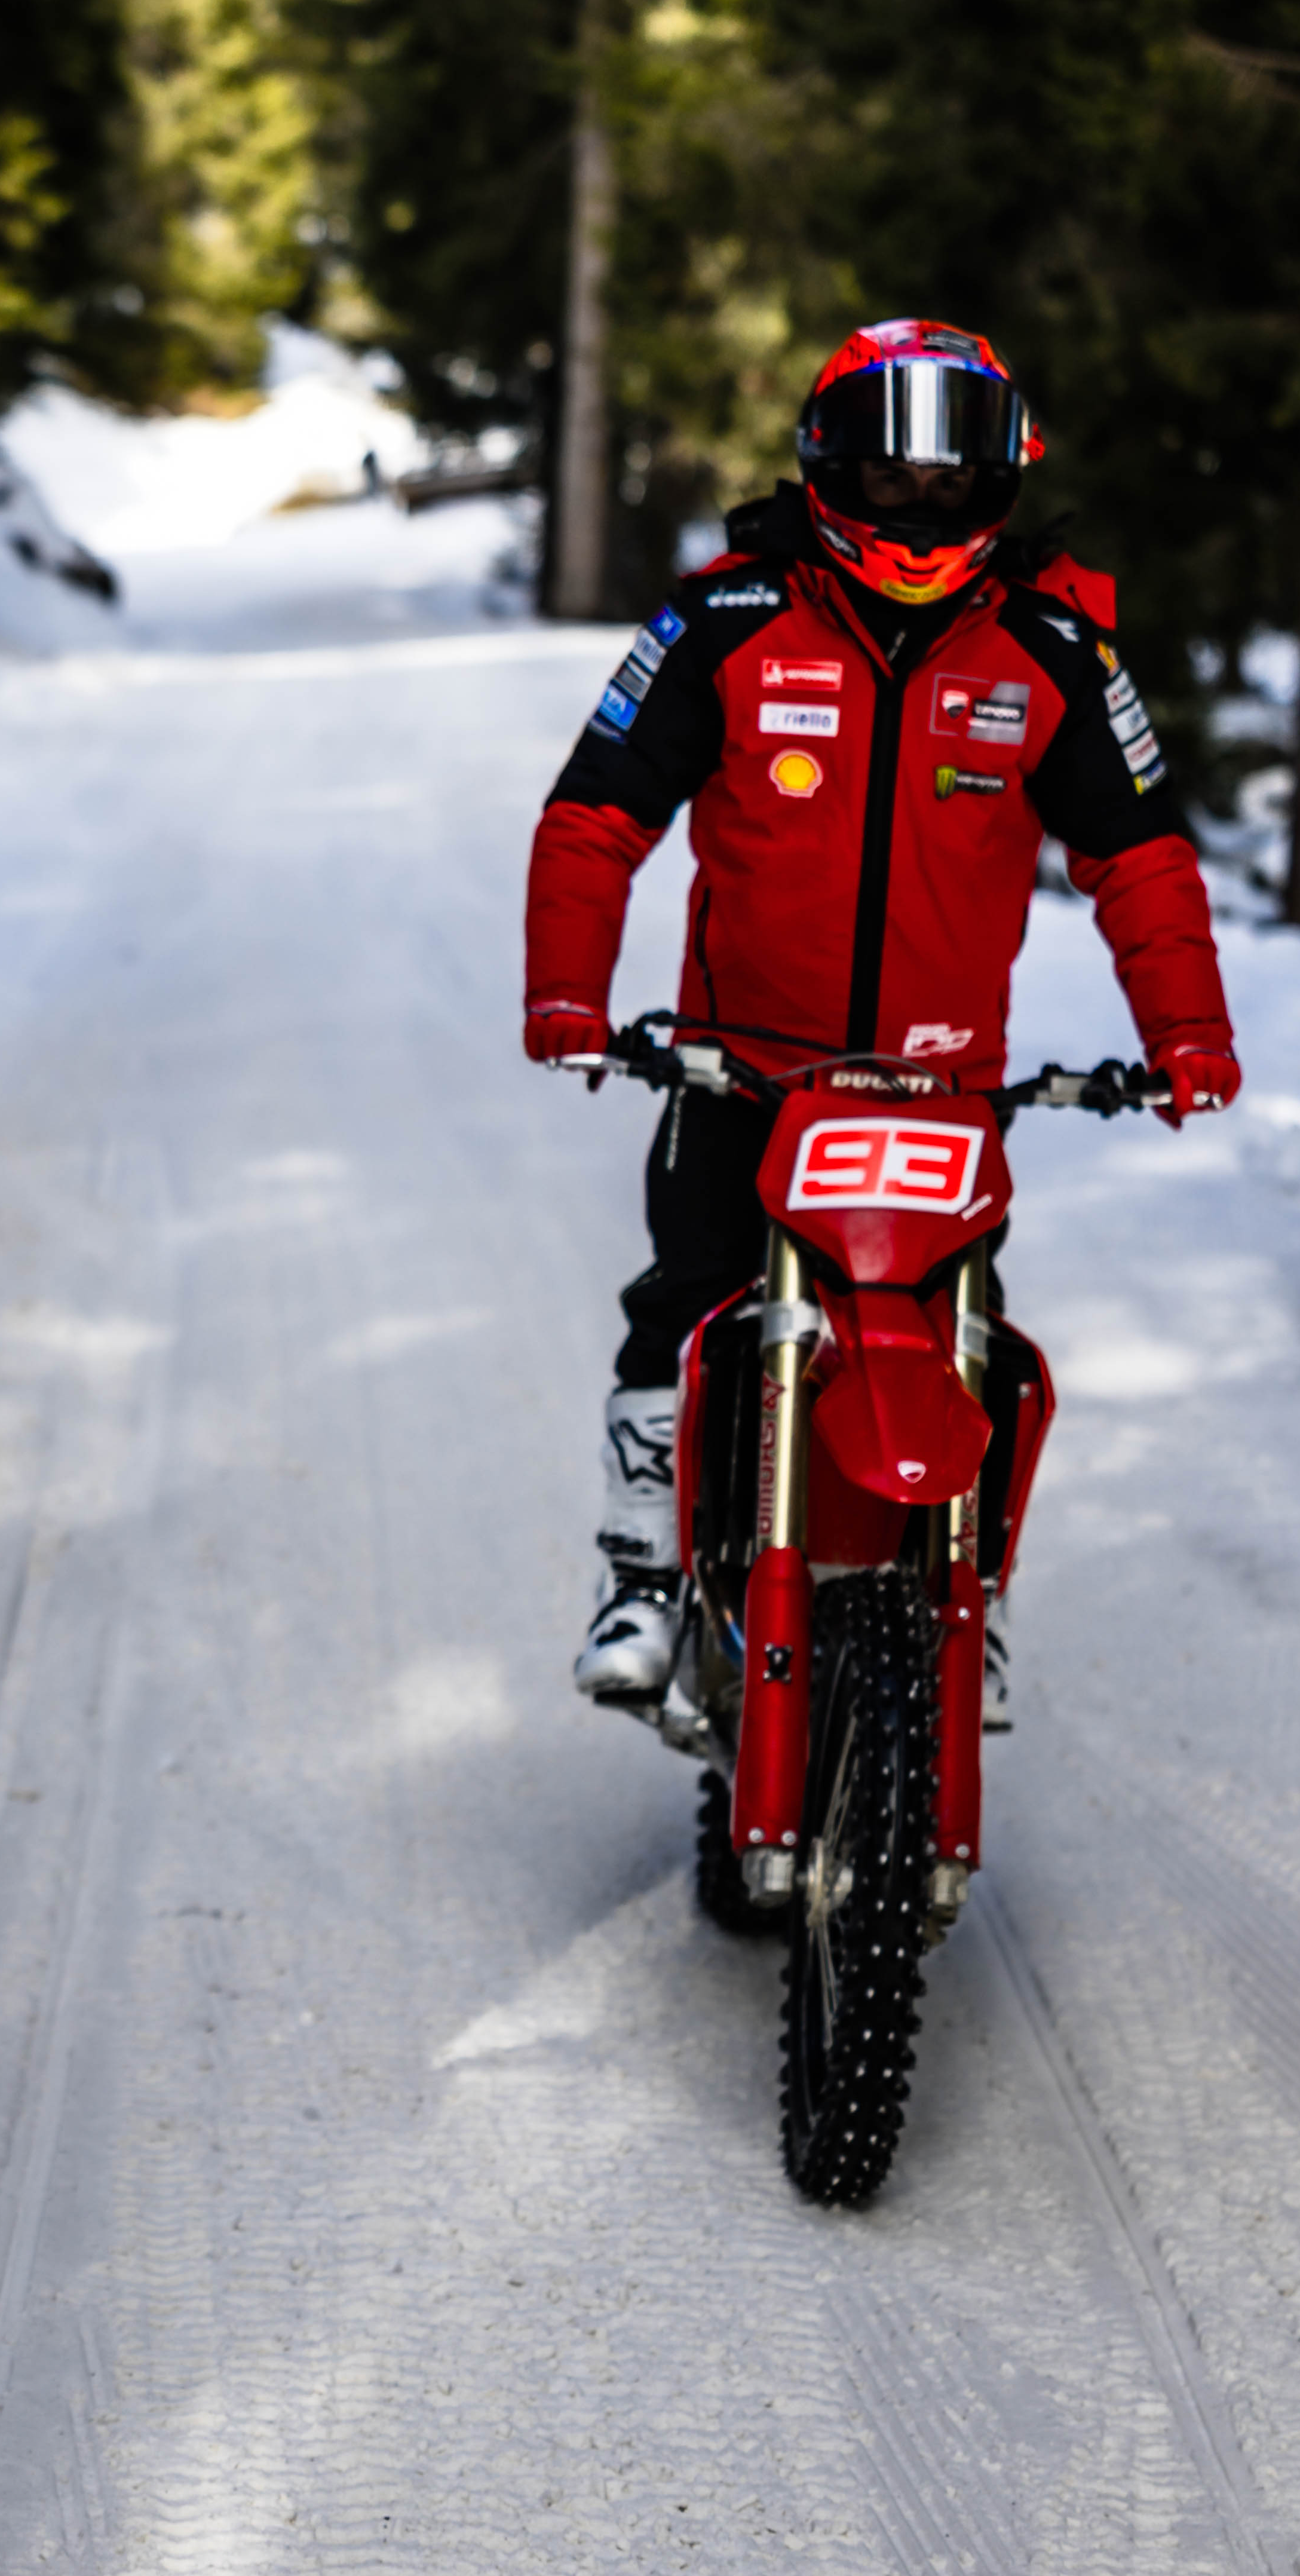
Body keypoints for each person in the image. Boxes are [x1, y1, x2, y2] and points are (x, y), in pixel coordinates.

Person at [519, 317, 1239, 1719]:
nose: (918, 508)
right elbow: (595, 816)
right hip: (743, 1076)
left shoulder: (1055, 651)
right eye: (887, 477)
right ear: (821, 469)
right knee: (684, 1308)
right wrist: (569, 997)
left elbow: (1142, 857)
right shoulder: (721, 621)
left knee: (970, 1342)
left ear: (1006, 481)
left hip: (940, 1102)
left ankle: (975, 1586)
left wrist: (1189, 1035)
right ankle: (645, 1573)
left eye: (949, 480)